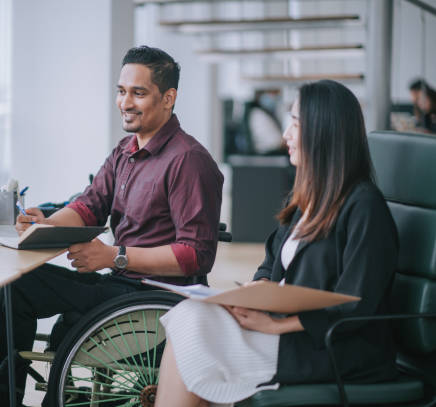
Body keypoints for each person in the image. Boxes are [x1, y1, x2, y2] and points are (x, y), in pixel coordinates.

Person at [0, 45, 224, 406]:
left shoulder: (189, 161)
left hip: (154, 300)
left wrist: (115, 256)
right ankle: (0, 399)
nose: (125, 102)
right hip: (118, 286)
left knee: (23, 291)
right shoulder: (125, 150)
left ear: (168, 98)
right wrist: (46, 224)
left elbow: (196, 255)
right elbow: (89, 205)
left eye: (138, 93)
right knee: (16, 285)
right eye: (121, 90)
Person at [154, 80, 398, 407]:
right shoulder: (305, 203)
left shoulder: (364, 206)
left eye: (295, 123)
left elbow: (356, 304)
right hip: (289, 330)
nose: (285, 135)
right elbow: (271, 263)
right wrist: (259, 289)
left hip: (332, 345)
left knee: (194, 330)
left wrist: (275, 325)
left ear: (323, 131)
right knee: (191, 314)